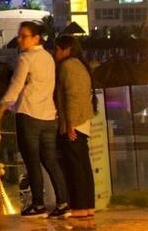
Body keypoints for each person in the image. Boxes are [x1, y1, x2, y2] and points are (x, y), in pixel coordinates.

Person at [0, 21, 67, 218]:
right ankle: (63, 203)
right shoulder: (48, 58)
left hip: (29, 115)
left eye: (24, 36)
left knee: (32, 162)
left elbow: (16, 85)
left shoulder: (25, 58)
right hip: (49, 116)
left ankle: (38, 205)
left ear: (36, 38)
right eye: (19, 35)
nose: (19, 39)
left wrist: (2, 108)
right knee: (51, 161)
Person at [53, 35, 96, 219]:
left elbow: (72, 95)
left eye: (57, 49)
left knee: (74, 167)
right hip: (83, 121)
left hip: (74, 123)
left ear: (66, 50)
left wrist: (70, 123)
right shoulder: (80, 65)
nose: (55, 53)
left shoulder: (68, 66)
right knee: (83, 166)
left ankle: (79, 207)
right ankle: (87, 207)